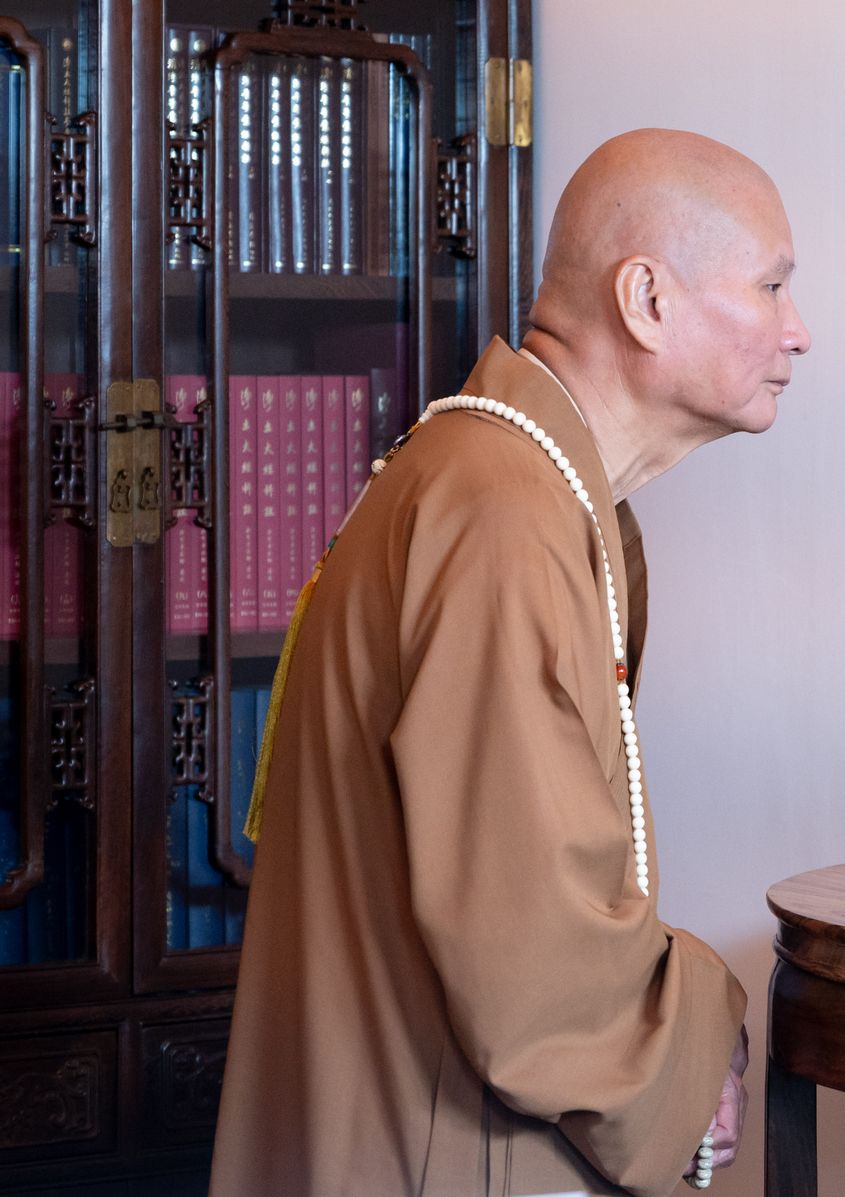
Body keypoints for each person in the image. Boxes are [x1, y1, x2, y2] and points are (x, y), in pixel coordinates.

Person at [210, 129, 811, 1197]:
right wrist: (697, 1036)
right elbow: (531, 952)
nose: (798, 331)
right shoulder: (501, 509)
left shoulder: (522, 482)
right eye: (771, 286)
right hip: (437, 1146)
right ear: (647, 300)